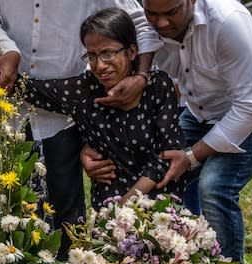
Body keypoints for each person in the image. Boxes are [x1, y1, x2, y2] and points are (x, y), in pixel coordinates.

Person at [83, 0, 252, 264]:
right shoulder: (156, 20)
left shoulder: (227, 22)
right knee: (160, 167)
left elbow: (251, 109)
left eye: (170, 13)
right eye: (152, 13)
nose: (160, 23)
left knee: (214, 187)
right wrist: (142, 75)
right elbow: (145, 33)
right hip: (202, 109)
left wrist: (192, 156)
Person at [0, 0, 162, 259]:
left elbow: (142, 26)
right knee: (6, 215)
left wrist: (141, 77)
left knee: (67, 219)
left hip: (67, 115)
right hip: (8, 110)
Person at [23, 8, 186, 208]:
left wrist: (123, 209)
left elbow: (166, 157)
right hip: (109, 208)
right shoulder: (85, 90)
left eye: (108, 53)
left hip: (159, 206)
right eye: (92, 56)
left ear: (132, 51)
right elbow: (29, 90)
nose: (99, 66)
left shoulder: (157, 87)